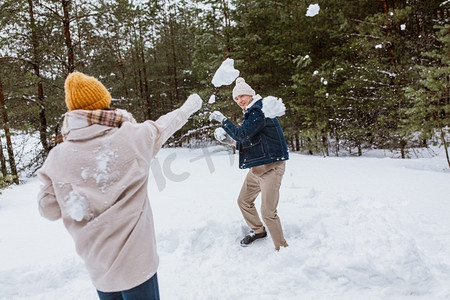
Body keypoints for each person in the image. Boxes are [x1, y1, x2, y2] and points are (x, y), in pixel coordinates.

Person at [37, 71, 202, 299]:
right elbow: (163, 127)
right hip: (137, 265)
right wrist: (186, 109)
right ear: (104, 104)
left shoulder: (57, 157)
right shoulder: (133, 137)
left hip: (99, 266)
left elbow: (48, 209)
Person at [209, 77, 289, 251]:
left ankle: (282, 250)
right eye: (236, 99)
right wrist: (227, 139)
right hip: (258, 168)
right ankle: (258, 231)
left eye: (241, 96)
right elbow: (249, 140)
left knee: (268, 213)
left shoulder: (259, 110)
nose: (239, 101)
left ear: (250, 94)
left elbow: (243, 135)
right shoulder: (251, 113)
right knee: (244, 201)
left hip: (272, 167)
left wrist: (224, 121)